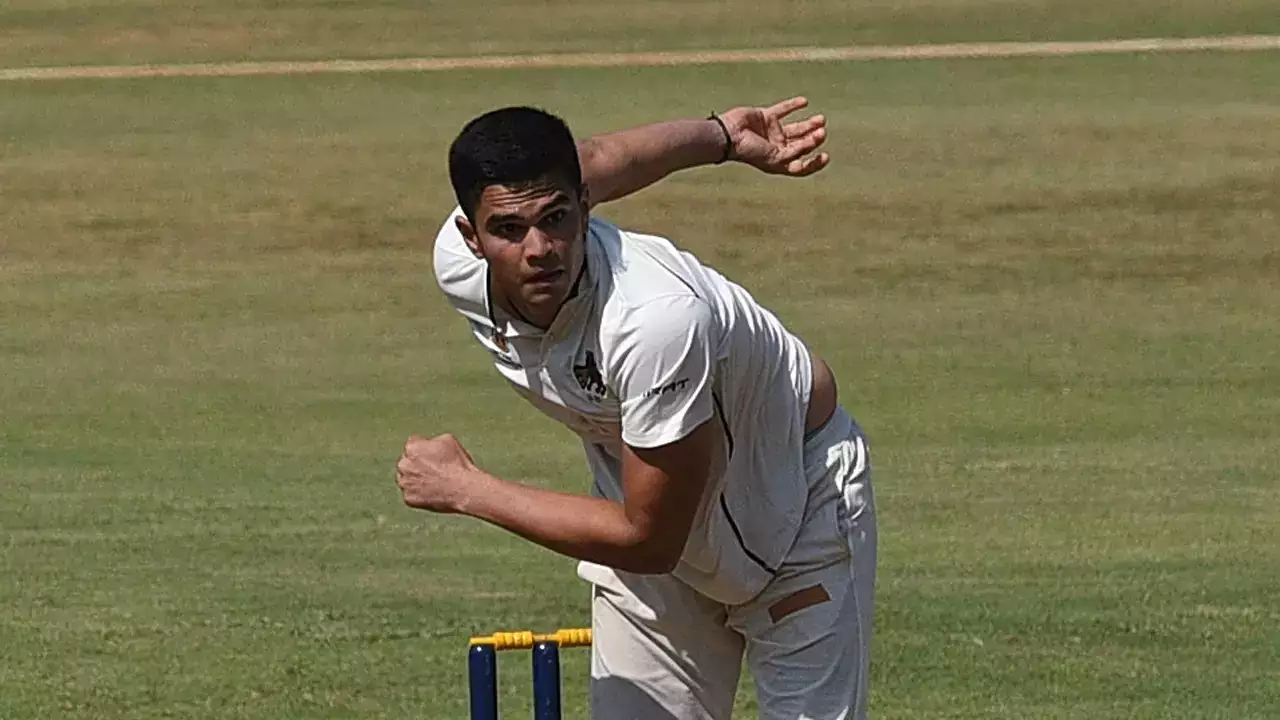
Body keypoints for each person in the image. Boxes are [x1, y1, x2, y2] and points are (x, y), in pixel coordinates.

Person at [395, 97, 878, 720]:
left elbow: (648, 538)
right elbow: (598, 157)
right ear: (471, 237)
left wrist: (467, 489)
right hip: (652, 515)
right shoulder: (458, 269)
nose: (540, 248)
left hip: (794, 508)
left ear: (584, 205)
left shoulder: (654, 321)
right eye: (509, 230)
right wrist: (720, 137)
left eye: (556, 218)